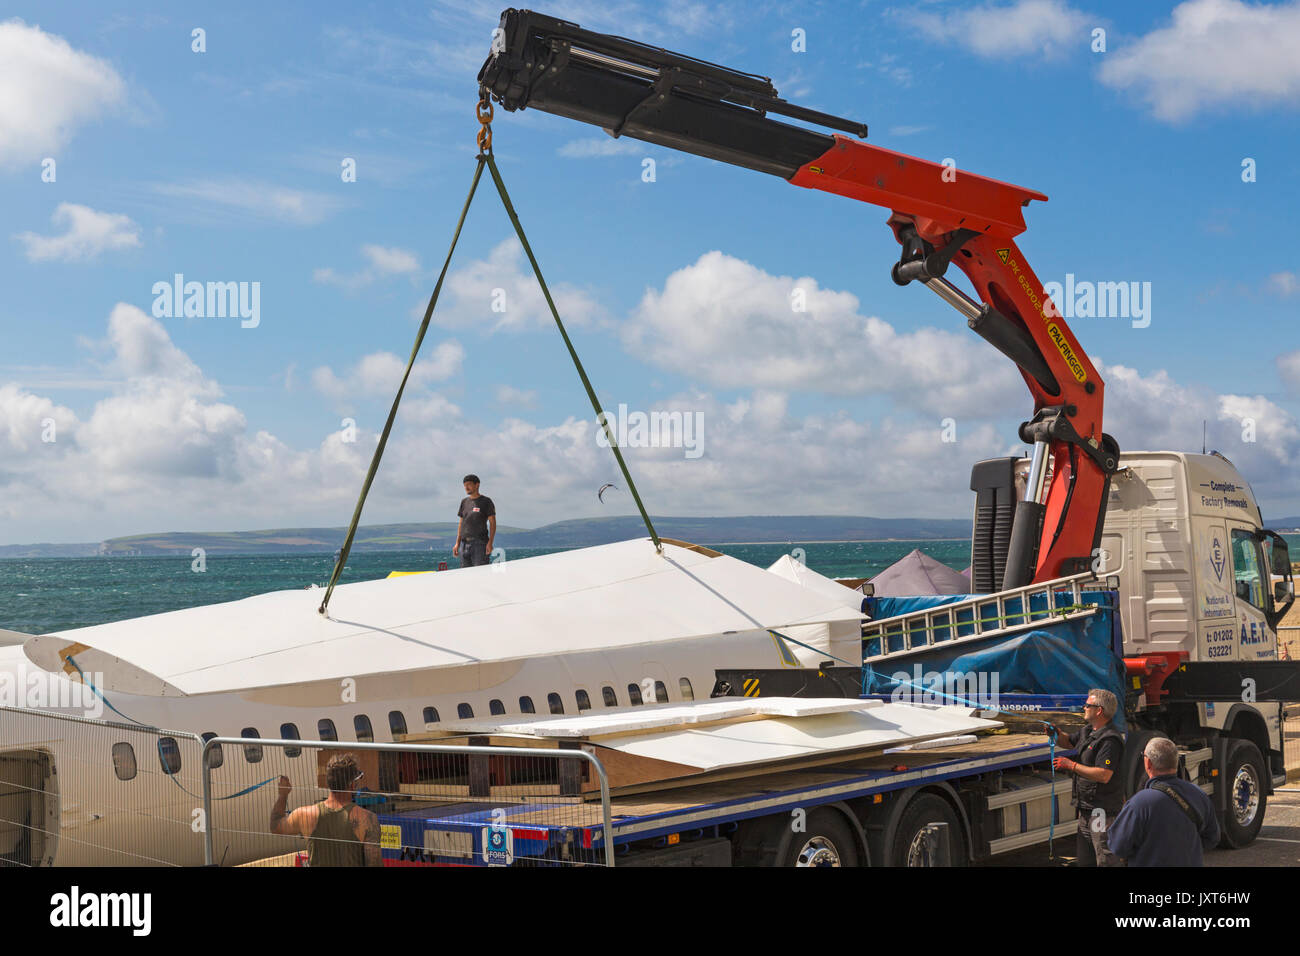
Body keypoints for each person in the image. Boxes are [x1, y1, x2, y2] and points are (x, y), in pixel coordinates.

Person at [1108, 736, 1219, 866]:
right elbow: (1212, 838)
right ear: (1175, 762)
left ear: (1148, 763)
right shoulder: (1199, 794)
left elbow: (1118, 846)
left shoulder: (1139, 803)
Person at [1046, 688, 1125, 867]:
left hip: (1101, 811)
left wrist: (1071, 765)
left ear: (1099, 710)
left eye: (1088, 705)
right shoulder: (1088, 731)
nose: (1084, 707)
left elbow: (1104, 775)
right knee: (1086, 861)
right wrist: (1056, 734)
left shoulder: (1110, 740)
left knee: (1105, 859)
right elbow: (1068, 742)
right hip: (1086, 809)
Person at [270, 752, 382, 866]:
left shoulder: (304, 815)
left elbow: (275, 825)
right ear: (352, 784)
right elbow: (374, 863)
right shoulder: (367, 819)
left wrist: (283, 795)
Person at [453, 474, 496, 568]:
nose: (466, 487)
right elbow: (461, 523)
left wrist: (490, 543)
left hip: (480, 544)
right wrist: (457, 543)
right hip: (464, 544)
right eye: (465, 485)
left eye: (469, 484)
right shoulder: (464, 502)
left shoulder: (486, 501)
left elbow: (492, 523)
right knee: (465, 575)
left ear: (477, 485)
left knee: (480, 574)